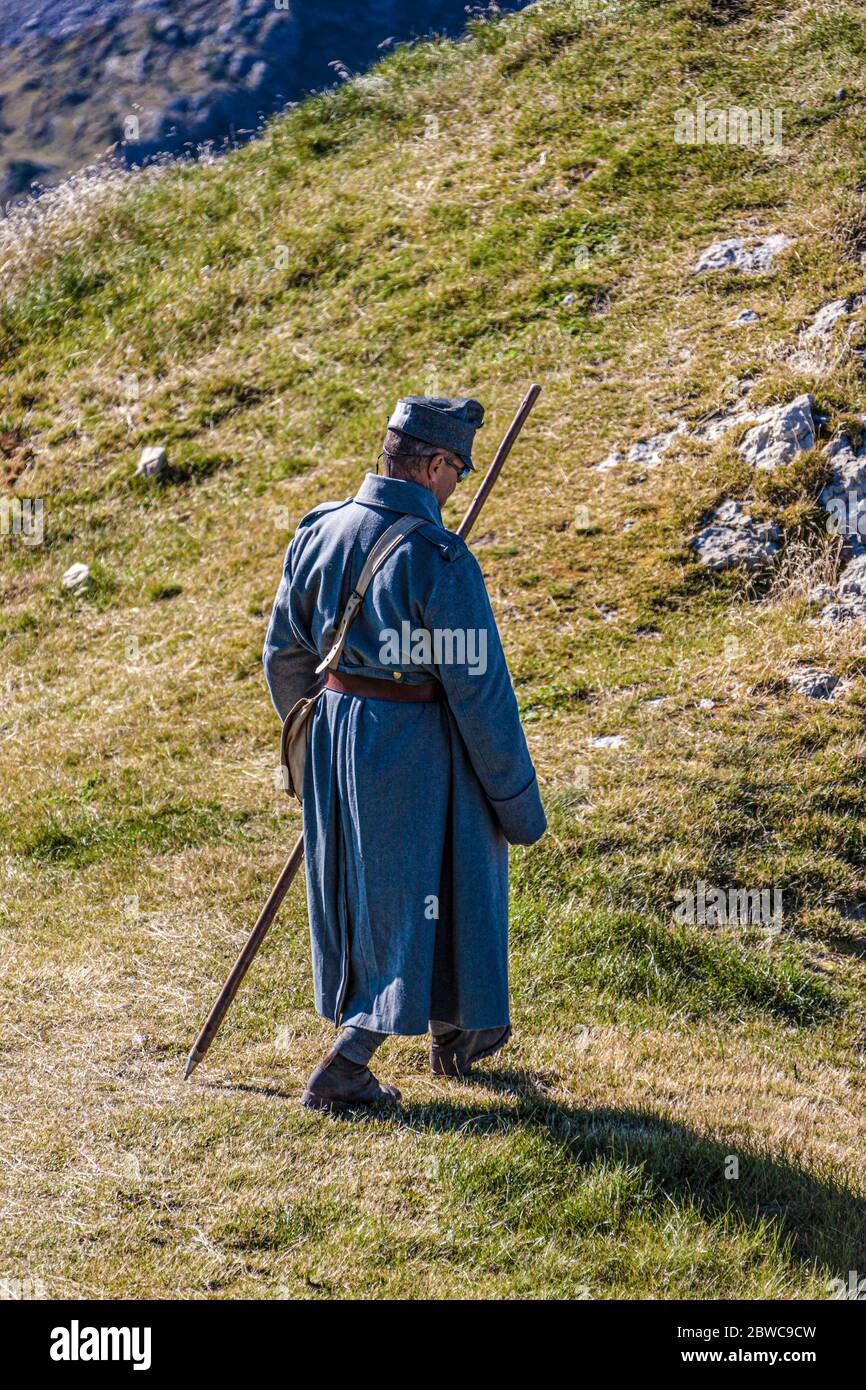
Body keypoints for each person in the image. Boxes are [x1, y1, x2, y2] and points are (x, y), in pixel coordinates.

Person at [263, 395, 546, 1111]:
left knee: (394, 892)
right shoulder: (439, 560)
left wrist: (323, 736)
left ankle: (459, 1029)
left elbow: (284, 655)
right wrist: (516, 802)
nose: (457, 487)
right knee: (412, 896)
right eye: (457, 471)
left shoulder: (318, 532)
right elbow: (481, 696)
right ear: (434, 464)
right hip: (416, 750)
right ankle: (348, 1065)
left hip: (334, 735)